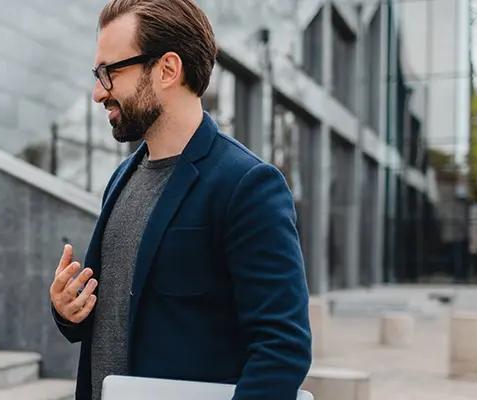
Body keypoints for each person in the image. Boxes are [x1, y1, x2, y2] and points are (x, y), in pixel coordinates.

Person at [48, 1, 313, 399]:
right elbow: (126, 316)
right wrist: (70, 311)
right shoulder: (122, 177)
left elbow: (282, 349)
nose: (98, 92)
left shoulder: (248, 185)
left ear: (168, 69)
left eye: (109, 72)